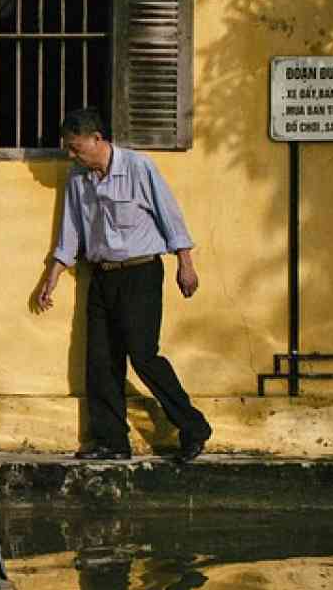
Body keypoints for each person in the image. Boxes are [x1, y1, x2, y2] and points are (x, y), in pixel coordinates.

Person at [31, 107, 212, 463]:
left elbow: (170, 216)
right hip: (100, 275)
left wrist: (185, 265)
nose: (72, 155)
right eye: (68, 148)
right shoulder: (78, 178)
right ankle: (112, 442)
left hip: (139, 274)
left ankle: (193, 427)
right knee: (100, 360)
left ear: (98, 139)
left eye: (76, 147)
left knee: (143, 355)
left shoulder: (138, 168)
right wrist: (50, 280)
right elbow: (69, 234)